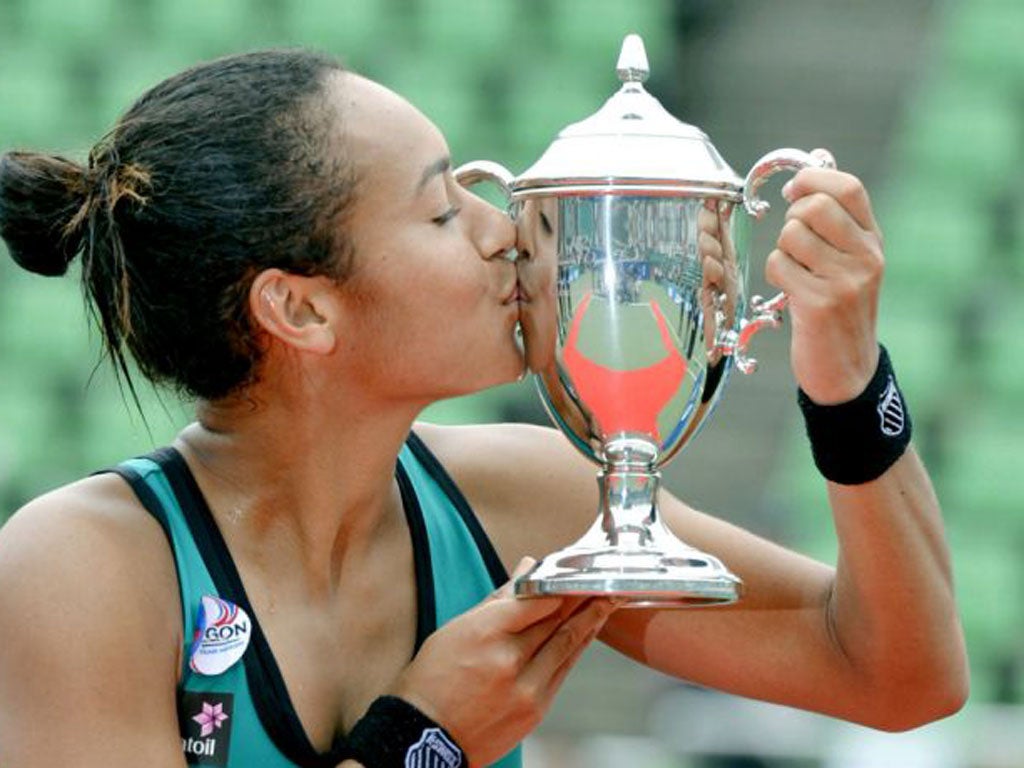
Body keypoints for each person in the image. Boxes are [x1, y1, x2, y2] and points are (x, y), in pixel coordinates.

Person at [0, 49, 967, 768]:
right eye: (441, 212)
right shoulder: (81, 570)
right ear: (299, 307)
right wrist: (422, 743)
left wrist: (845, 377)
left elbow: (900, 676)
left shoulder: (520, 495)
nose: (506, 234)